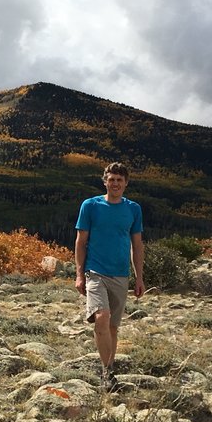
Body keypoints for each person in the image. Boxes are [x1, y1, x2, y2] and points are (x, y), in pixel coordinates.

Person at [74, 162, 145, 393]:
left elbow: (137, 244)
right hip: (95, 272)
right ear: (105, 181)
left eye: (119, 180)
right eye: (111, 179)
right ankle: (106, 372)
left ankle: (110, 367)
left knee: (113, 327)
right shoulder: (90, 206)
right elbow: (80, 241)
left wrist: (139, 277)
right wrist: (79, 274)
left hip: (121, 274)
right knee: (102, 317)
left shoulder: (133, 209)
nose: (115, 183)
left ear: (126, 183)